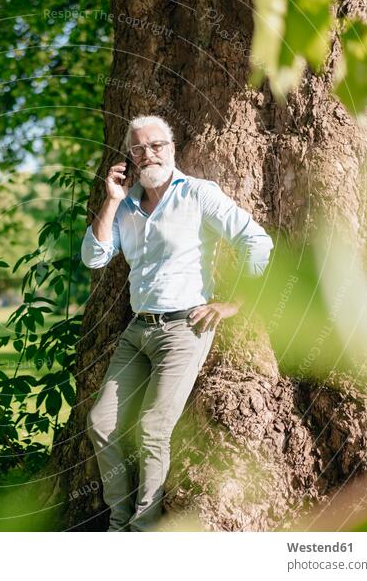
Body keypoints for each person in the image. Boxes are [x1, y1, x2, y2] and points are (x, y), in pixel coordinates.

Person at [81, 114, 274, 531]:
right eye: (138, 148)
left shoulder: (199, 194)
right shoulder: (127, 204)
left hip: (185, 329)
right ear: (129, 157)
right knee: (100, 423)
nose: (148, 153)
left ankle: (142, 528)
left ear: (171, 148)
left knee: (153, 428)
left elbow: (257, 242)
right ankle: (119, 522)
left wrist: (234, 304)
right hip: (137, 330)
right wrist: (112, 199)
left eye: (156, 146)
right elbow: (94, 257)